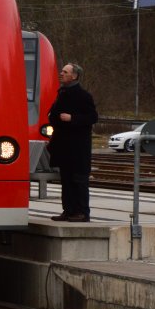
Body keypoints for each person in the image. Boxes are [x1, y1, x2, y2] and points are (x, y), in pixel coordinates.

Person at [46, 63, 98, 222]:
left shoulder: (84, 96)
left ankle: (82, 212)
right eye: (62, 71)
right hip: (64, 147)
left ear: (74, 76)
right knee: (66, 180)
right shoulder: (62, 94)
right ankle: (68, 211)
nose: (61, 74)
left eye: (65, 72)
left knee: (79, 180)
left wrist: (72, 118)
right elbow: (54, 115)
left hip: (78, 148)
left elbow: (92, 117)